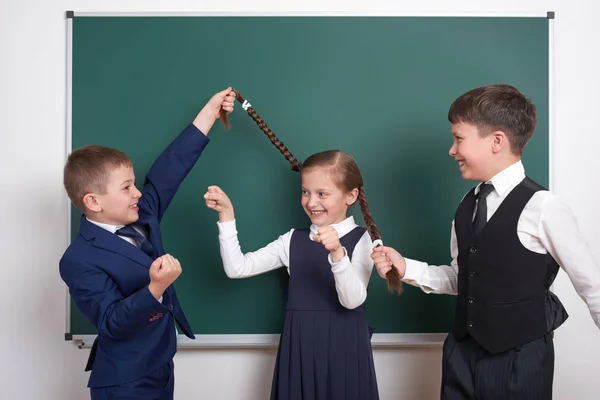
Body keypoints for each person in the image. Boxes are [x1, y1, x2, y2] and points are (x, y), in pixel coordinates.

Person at [371, 83, 600, 400]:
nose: (452, 150)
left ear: (497, 141)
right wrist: (405, 267)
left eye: (459, 138)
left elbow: (593, 288)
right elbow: (463, 277)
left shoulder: (545, 208)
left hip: (519, 362)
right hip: (460, 358)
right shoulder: (467, 206)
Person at [60, 87, 235, 400]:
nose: (138, 192)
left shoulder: (142, 215)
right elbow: (112, 321)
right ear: (93, 201)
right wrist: (155, 288)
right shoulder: (79, 259)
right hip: (125, 380)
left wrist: (210, 113)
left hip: (159, 365)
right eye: (127, 187)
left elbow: (171, 169)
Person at [204, 149, 380, 399]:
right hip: (300, 351)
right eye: (305, 192)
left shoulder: (362, 240)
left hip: (345, 351)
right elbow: (237, 268)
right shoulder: (292, 241)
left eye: (322, 194)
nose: (311, 202)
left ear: (350, 196)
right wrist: (226, 216)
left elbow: (352, 300)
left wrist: (338, 253)